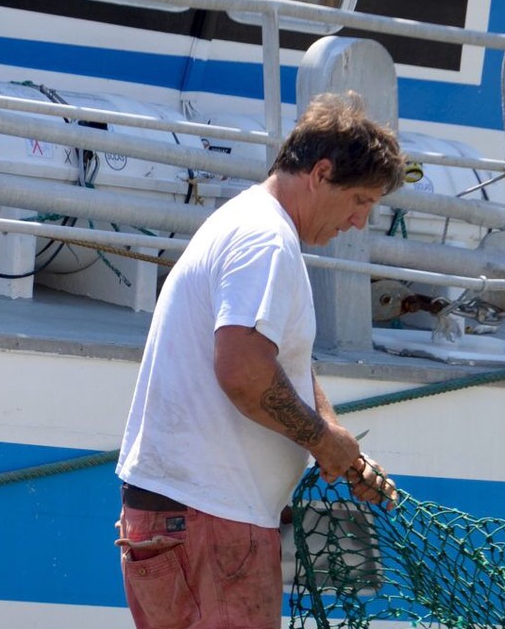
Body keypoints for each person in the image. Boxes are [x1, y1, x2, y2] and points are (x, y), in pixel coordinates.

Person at [115, 92, 405, 629]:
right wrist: (321, 441)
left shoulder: (247, 222)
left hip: (184, 517)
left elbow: (281, 360)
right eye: (361, 200)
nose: (361, 221)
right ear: (321, 173)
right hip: (212, 525)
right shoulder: (266, 241)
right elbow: (245, 374)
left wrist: (337, 441)